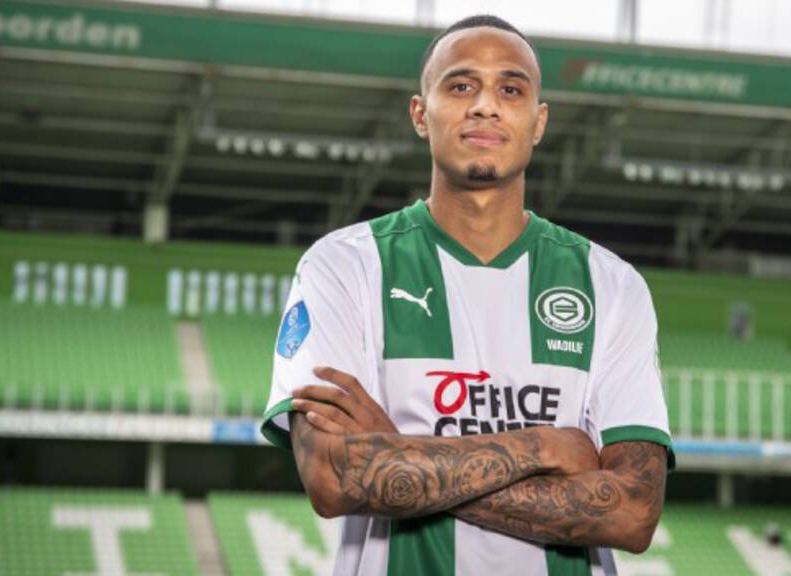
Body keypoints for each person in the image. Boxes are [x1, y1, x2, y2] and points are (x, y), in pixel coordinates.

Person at [260, 14, 674, 575]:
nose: (485, 106)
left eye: (511, 89)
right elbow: (334, 478)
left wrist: (395, 451)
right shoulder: (343, 265)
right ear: (420, 113)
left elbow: (632, 512)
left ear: (538, 122)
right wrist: (542, 448)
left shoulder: (612, 285)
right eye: (460, 86)